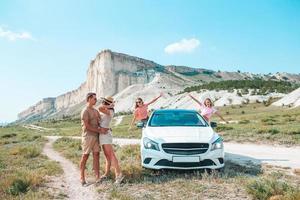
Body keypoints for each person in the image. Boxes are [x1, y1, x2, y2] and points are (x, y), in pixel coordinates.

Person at [79, 92, 109, 186]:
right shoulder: (85, 111)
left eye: (96, 99)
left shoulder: (96, 111)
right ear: (89, 99)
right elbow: (87, 126)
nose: (96, 100)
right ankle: (82, 178)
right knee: (85, 156)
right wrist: (100, 131)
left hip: (96, 136)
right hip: (88, 137)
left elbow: (100, 122)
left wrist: (105, 128)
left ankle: (97, 177)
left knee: (96, 155)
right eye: (94, 99)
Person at [98, 96, 124, 184]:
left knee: (111, 155)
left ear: (106, 102)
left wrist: (110, 106)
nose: (102, 102)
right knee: (107, 156)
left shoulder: (110, 110)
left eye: (103, 101)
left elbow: (99, 108)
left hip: (106, 135)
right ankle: (106, 173)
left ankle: (119, 175)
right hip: (103, 134)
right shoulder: (107, 109)